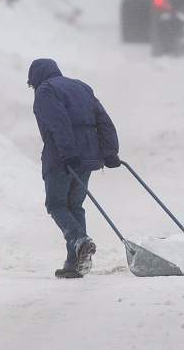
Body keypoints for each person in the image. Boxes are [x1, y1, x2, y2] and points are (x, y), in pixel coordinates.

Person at [27, 58, 120, 279]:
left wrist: (68, 152)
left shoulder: (45, 91)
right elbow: (103, 119)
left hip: (63, 155)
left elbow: (58, 123)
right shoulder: (81, 86)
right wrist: (110, 151)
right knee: (75, 205)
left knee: (56, 204)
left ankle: (79, 240)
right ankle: (74, 263)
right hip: (87, 155)